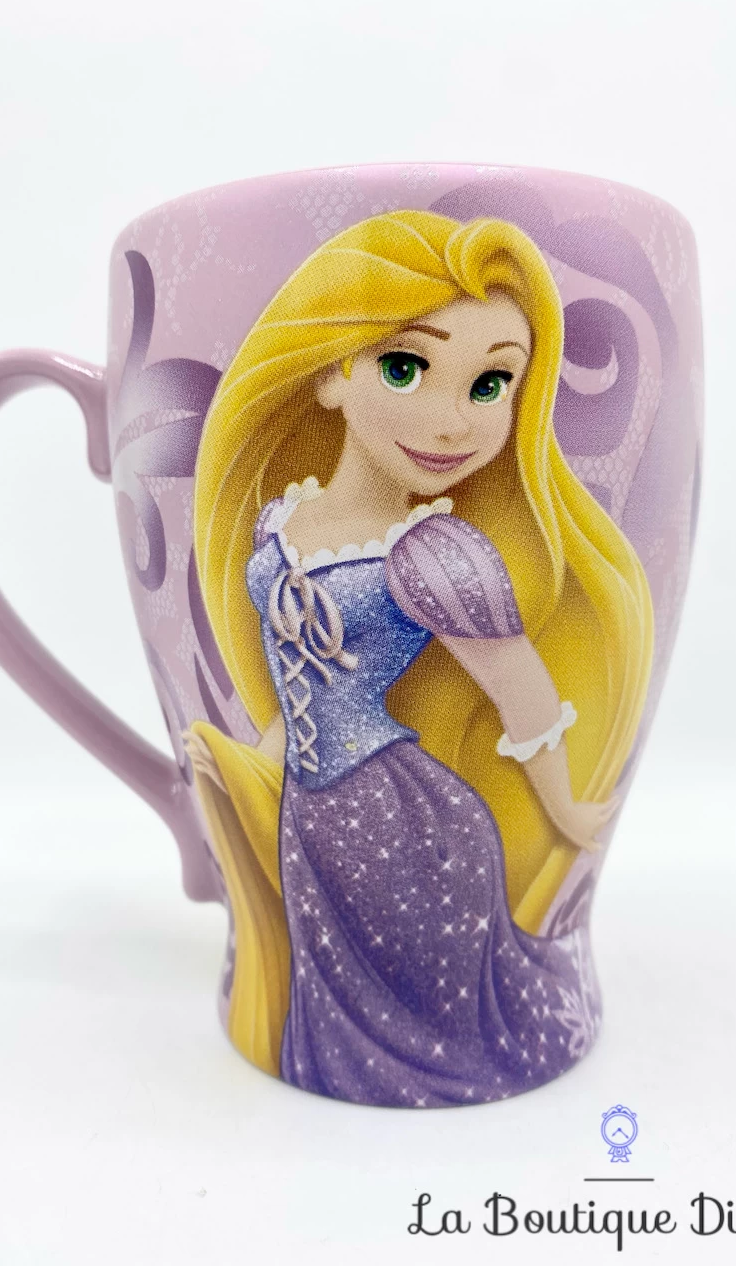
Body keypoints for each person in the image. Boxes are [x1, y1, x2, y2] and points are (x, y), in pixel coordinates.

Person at [182, 209, 653, 1106]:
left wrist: (563, 809)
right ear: (332, 373)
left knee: (423, 1030)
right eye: (405, 368)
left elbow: (522, 691)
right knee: (336, 1013)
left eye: (490, 384)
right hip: (313, 827)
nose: (449, 421)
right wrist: (246, 780)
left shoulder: (435, 557)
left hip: (410, 834)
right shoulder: (282, 524)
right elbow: (299, 695)